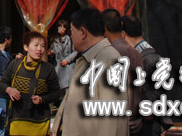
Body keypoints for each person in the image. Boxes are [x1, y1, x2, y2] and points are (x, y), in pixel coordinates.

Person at [51, 8, 128, 136]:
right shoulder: (88, 58)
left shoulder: (108, 60)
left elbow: (111, 121)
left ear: (82, 32)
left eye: (72, 31)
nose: (71, 36)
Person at [0, 30, 60, 136]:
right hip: (17, 120)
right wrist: (9, 89)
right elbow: (2, 83)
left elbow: (56, 93)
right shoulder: (15, 65)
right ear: (26, 47)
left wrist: (42, 99)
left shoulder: (48, 69)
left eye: (42, 46)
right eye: (36, 45)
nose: (39, 49)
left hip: (40, 123)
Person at [122, 15, 172, 136]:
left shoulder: (149, 57)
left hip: (149, 123)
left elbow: (158, 91)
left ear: (123, 34)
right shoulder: (143, 54)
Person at [102, 9, 143, 136]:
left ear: (104, 28)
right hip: (136, 121)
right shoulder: (134, 51)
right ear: (121, 25)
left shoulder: (112, 53)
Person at [49, 19, 78, 92]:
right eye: (60, 27)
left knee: (69, 90)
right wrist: (51, 53)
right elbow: (53, 52)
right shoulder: (53, 40)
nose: (62, 29)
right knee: (59, 90)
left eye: (64, 27)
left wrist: (67, 60)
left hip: (68, 67)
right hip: (58, 67)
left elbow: (75, 51)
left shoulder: (70, 39)